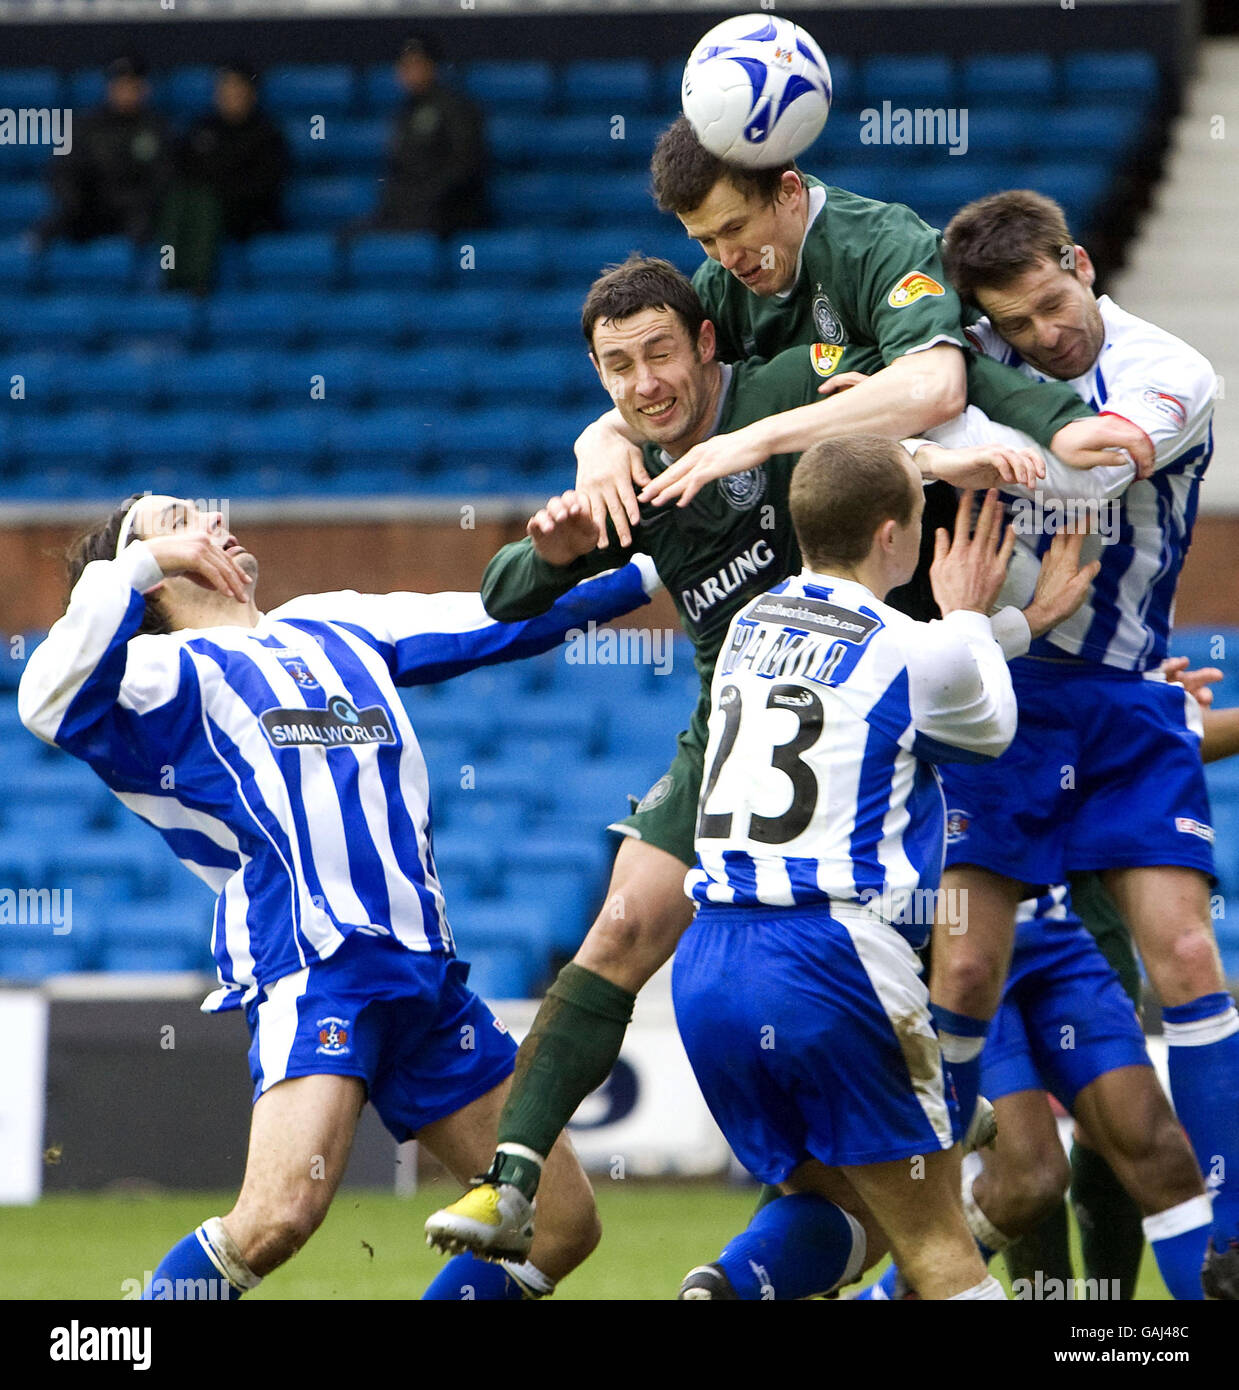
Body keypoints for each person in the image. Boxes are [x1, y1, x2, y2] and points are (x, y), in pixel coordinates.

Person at [424, 254, 1093, 1261]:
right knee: (622, 922)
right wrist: (555, 548)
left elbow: (927, 370)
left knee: (941, 950)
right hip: (737, 729)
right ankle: (510, 1179)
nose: (644, 383)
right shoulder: (634, 476)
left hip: (881, 705)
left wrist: (970, 446)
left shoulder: (784, 390)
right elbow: (504, 594)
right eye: (616, 369)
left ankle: (946, 1113)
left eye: (659, 352)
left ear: (706, 344)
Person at [17, 492, 661, 1301]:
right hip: (317, 966)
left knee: (561, 1223)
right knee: (278, 1217)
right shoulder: (156, 672)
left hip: (424, 976)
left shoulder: (330, 621)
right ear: (140, 578)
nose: (207, 521)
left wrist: (665, 560)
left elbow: (500, 619)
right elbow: (44, 701)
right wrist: (141, 563)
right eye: (175, 520)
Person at [906, 189, 1236, 1298]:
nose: (1047, 337)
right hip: (1004, 695)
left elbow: (1095, 462)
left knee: (1187, 959)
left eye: (1055, 306)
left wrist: (948, 450)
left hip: (1127, 703)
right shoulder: (975, 366)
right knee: (961, 969)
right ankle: (920, 1214)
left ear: (1082, 264)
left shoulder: (1171, 370)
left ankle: (1230, 1232)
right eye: (1017, 326)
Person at [673, 446, 1095, 1301]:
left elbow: (907, 686)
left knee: (835, 1205)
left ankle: (726, 1288)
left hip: (711, 963)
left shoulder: (751, 625)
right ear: (894, 536)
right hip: (829, 957)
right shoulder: (912, 643)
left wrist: (999, 631)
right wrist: (972, 614)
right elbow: (989, 725)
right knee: (939, 1244)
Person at [159, 61, 289, 293]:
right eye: (225, 88)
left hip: (248, 217)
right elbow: (181, 169)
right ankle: (169, 277)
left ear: (252, 93)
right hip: (199, 206)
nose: (231, 95)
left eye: (237, 88)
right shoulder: (202, 128)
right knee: (179, 202)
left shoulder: (267, 134)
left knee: (205, 204)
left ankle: (197, 283)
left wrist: (219, 189)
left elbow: (265, 184)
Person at [41, 55, 173, 245]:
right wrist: (74, 199)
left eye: (132, 85)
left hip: (134, 211)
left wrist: (135, 201)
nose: (126, 92)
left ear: (145, 88)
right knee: (51, 228)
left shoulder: (157, 128)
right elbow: (61, 170)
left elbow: (163, 178)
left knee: (145, 228)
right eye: (121, 85)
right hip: (91, 208)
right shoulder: (86, 126)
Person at [370, 34, 487, 235]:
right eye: (404, 66)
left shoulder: (456, 108)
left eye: (415, 64)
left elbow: (465, 165)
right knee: (349, 237)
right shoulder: (404, 112)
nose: (408, 72)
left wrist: (423, 197)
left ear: (432, 66)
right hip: (408, 211)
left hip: (450, 214)